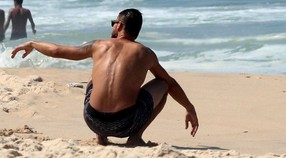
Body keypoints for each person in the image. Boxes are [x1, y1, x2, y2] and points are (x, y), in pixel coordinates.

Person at [11, 8, 199, 146]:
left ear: (119, 26)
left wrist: (33, 43)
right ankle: (135, 138)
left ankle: (101, 137)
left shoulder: (98, 45)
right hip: (125, 124)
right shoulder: (145, 53)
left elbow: (58, 51)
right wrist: (189, 108)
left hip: (92, 120)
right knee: (163, 85)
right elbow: (170, 83)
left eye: (113, 24)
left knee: (95, 79)